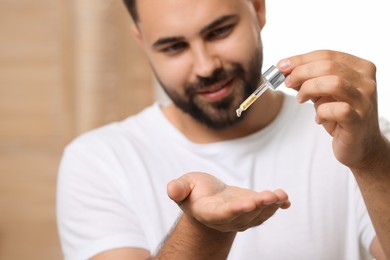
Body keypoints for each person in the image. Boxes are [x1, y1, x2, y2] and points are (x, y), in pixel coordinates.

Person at [56, 0, 390, 259]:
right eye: (173, 47)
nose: (205, 67)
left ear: (257, 9)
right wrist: (205, 230)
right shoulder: (99, 161)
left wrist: (372, 159)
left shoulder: (354, 137)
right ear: (143, 42)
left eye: (219, 31)